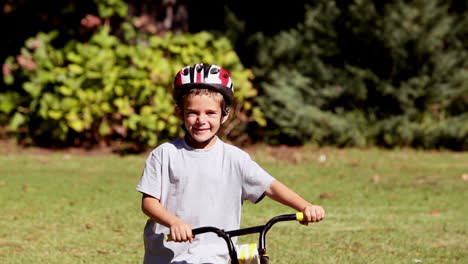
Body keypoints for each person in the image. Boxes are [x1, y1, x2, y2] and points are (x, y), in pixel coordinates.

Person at [136, 63, 325, 264]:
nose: (201, 120)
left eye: (210, 113)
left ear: (224, 115)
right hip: (169, 256)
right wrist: (174, 223)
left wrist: (305, 207)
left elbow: (270, 186)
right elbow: (149, 203)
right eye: (192, 112)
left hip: (216, 254)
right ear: (179, 112)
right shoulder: (165, 155)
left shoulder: (235, 158)